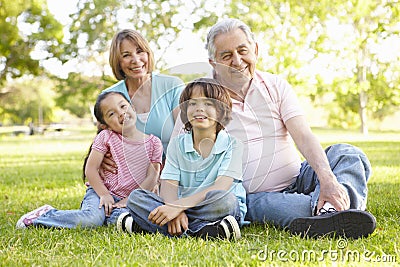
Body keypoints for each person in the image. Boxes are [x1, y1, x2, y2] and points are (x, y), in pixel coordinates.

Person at [187, 18, 375, 239]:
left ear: (255, 50)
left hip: (299, 177)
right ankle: (334, 211)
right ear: (213, 62)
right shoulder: (200, 98)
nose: (237, 61)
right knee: (298, 209)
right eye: (226, 56)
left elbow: (303, 135)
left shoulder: (275, 85)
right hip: (256, 195)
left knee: (350, 155)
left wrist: (328, 181)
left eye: (242, 51)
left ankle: (329, 210)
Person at [117, 78, 247, 240]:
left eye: (208, 104)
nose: (199, 109)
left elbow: (221, 186)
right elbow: (169, 185)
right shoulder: (177, 144)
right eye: (192, 104)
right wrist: (175, 211)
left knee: (226, 200)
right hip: (180, 206)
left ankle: (150, 227)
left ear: (221, 111)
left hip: (213, 207)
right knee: (136, 197)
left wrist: (176, 207)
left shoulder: (233, 145)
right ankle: (204, 231)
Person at [16, 91, 163, 229]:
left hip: (135, 197)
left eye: (123, 106)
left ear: (133, 107)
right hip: (102, 192)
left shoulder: (154, 143)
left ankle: (117, 216)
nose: (121, 113)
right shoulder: (106, 137)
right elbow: (91, 169)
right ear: (105, 124)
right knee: (91, 219)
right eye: (111, 113)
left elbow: (152, 176)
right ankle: (43, 216)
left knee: (137, 216)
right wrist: (104, 194)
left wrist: (130, 200)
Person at [101, 29, 184, 159]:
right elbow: (102, 143)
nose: (136, 60)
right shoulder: (108, 96)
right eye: (126, 55)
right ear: (118, 62)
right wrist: (104, 157)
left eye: (140, 52)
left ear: (148, 54)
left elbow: (186, 134)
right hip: (131, 172)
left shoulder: (172, 86)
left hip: (173, 168)